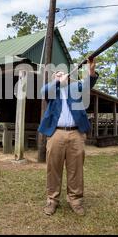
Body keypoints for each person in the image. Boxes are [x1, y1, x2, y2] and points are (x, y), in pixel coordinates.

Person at [38, 58, 98, 216]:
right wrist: (57, 81)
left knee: (75, 169)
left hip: (76, 133)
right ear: (54, 79)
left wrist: (91, 71)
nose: (60, 76)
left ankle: (76, 200)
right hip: (56, 133)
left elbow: (87, 84)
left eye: (62, 74)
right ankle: (52, 200)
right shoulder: (51, 91)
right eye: (57, 75)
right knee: (53, 169)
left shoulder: (75, 88)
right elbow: (44, 91)